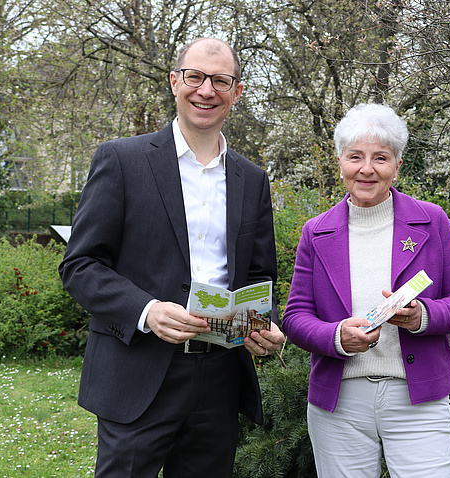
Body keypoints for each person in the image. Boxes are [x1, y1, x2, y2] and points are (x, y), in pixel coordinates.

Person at [59, 37, 285, 477]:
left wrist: (264, 323)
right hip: (138, 371)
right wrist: (146, 310)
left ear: (236, 92)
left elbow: (259, 275)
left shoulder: (252, 179)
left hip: (220, 375)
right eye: (195, 76)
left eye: (221, 80)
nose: (206, 90)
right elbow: (80, 265)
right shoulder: (122, 160)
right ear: (174, 82)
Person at [282, 103, 450, 478]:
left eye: (380, 158)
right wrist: (337, 336)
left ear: (397, 165)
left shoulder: (431, 220)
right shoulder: (316, 231)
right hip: (338, 402)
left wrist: (424, 316)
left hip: (417, 396)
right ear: (340, 161)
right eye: (355, 156)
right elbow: (295, 318)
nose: (367, 169)